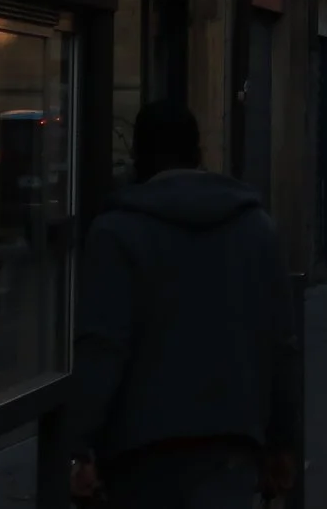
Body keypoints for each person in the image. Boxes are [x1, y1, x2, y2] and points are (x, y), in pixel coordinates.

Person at [64, 101, 301, 507]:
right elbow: (280, 345)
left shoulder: (115, 232)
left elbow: (102, 347)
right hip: (231, 442)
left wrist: (78, 445)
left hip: (139, 451)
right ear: (199, 154)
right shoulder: (256, 228)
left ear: (139, 158)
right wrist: (283, 442)